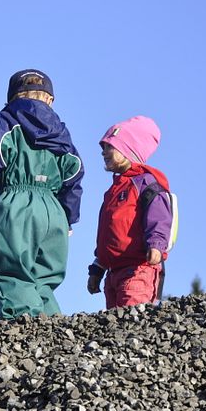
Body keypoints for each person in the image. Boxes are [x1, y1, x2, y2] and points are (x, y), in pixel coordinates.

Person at [0, 69, 83, 320]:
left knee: (11, 267)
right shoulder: (61, 133)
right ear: (50, 99)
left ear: (11, 98)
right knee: (45, 276)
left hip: (17, 202)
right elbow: (74, 171)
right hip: (53, 210)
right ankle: (52, 325)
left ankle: (20, 325)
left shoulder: (6, 120)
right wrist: (68, 216)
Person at [86, 115, 174, 309]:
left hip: (138, 270)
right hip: (113, 274)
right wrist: (97, 268)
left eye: (110, 147)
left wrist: (157, 245)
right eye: (103, 148)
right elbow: (108, 236)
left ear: (130, 149)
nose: (104, 152)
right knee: (114, 327)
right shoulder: (113, 191)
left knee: (132, 323)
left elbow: (159, 216)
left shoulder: (146, 184)